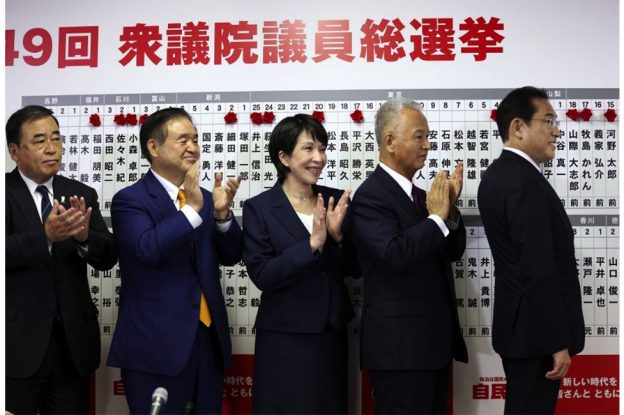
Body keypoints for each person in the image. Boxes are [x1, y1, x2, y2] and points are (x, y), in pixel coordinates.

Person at [106, 107, 243, 414]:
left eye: (195, 139)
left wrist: (222, 215)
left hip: (208, 342)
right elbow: (147, 249)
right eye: (183, 140)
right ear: (153, 148)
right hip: (155, 345)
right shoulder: (130, 200)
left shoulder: (206, 198)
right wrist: (191, 210)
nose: (193, 147)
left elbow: (232, 255)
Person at [347, 97, 468, 414]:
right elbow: (394, 254)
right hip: (399, 351)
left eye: (428, 137)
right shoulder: (370, 196)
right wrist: (437, 218)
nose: (427, 145)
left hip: (434, 346)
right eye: (419, 136)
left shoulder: (422, 196)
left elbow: (452, 252)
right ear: (389, 141)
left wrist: (450, 210)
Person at [478, 86, 585, 414]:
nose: (557, 131)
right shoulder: (521, 181)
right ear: (518, 127)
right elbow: (536, 267)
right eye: (548, 120)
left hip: (524, 331)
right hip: (535, 337)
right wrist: (556, 341)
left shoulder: (502, 175)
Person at [242, 114, 358, 413]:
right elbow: (262, 274)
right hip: (284, 338)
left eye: (322, 149)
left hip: (331, 334)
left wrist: (338, 237)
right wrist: (311, 244)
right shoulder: (259, 208)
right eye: (308, 148)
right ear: (284, 157)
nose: (318, 157)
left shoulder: (335, 200)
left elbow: (356, 268)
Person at [5, 105, 118, 413]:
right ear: (15, 151)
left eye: (56, 138)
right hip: (16, 345)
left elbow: (108, 257)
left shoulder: (80, 193)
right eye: (39, 140)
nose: (52, 148)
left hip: (72, 346)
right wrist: (45, 237)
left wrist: (84, 238)